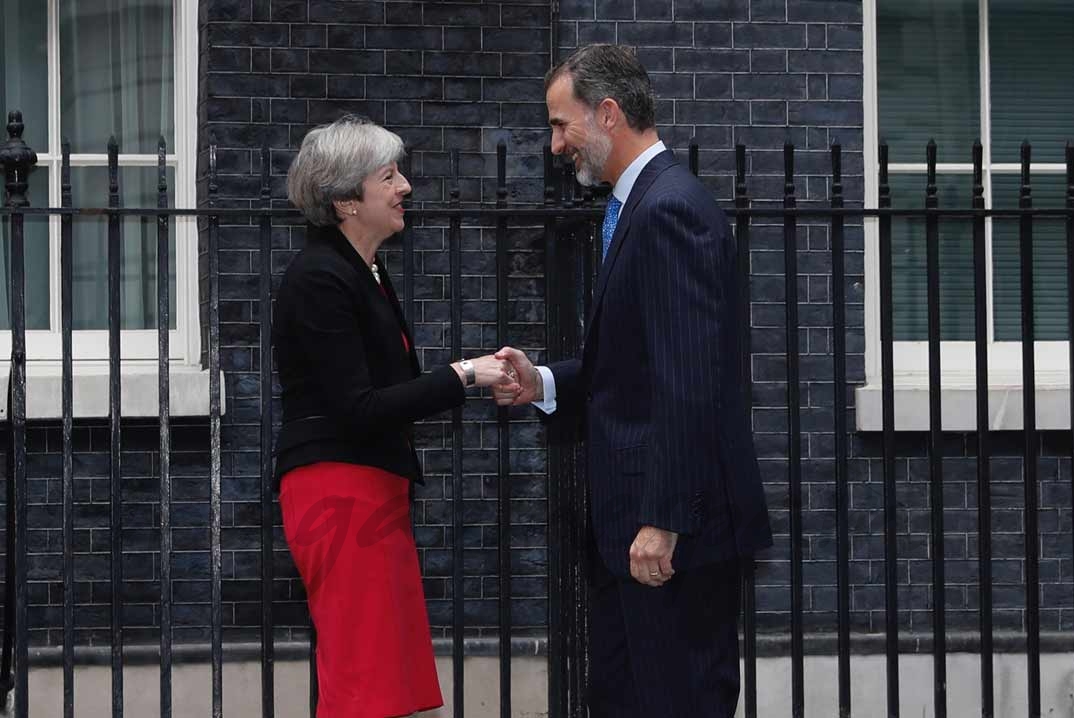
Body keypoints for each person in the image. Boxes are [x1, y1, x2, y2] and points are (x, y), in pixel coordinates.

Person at [493, 45, 772, 717]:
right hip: (644, 533)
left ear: (609, 113)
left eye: (563, 124)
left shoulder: (668, 210)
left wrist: (664, 519)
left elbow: (688, 380)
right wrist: (546, 383)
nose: (557, 143)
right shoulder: (641, 205)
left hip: (671, 538)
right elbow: (637, 365)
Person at [273, 115, 518, 718]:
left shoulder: (361, 272)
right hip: (339, 493)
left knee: (382, 677)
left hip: (367, 489)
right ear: (346, 201)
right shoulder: (320, 280)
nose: (405, 186)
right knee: (363, 680)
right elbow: (359, 409)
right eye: (389, 176)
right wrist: (464, 375)